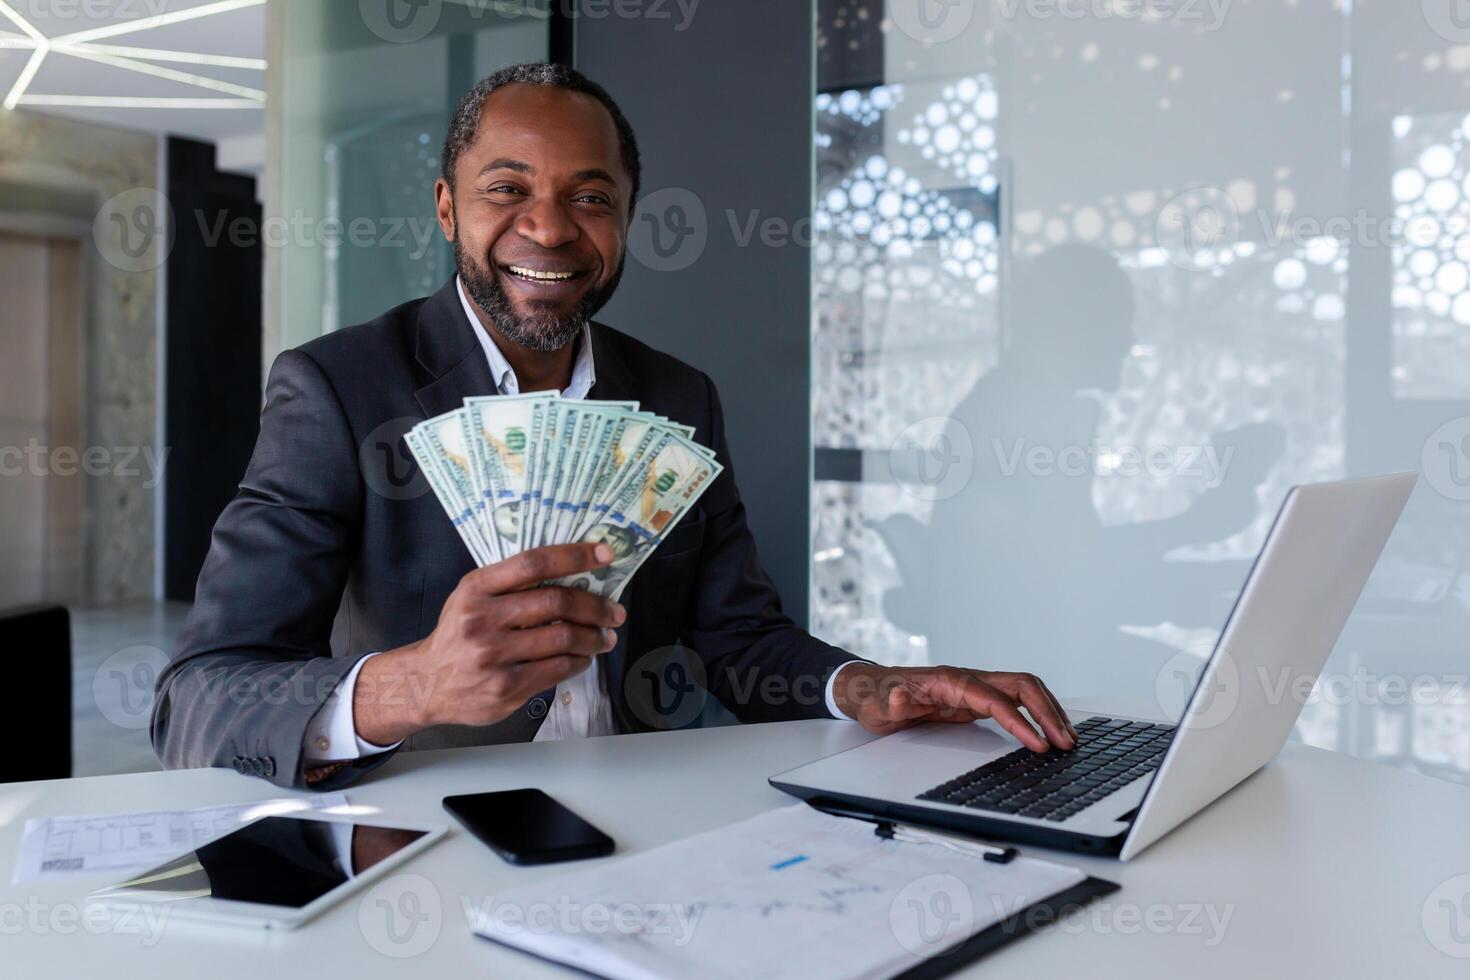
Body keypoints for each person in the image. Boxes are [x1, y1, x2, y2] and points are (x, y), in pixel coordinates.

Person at [151, 63, 1074, 791]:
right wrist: (415, 685)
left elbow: (739, 640)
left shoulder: (677, 397)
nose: (549, 230)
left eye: (590, 198)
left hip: (638, 816)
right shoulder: (337, 387)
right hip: (418, 828)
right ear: (446, 209)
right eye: (505, 190)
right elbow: (195, 700)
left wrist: (868, 685)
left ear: (628, 218)